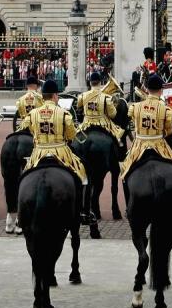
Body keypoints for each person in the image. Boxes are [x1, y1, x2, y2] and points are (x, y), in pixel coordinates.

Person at [19, 79, 93, 224]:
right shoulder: (64, 113)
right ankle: (83, 211)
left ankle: (20, 213)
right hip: (60, 151)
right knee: (82, 174)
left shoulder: (33, 113)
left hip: (38, 152)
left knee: (24, 175)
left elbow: (26, 127)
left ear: (43, 95)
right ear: (54, 96)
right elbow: (71, 135)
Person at [120, 74, 172, 182]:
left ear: (147, 89)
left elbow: (133, 123)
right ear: (160, 90)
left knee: (125, 170)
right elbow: (169, 130)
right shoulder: (165, 109)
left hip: (139, 144)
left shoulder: (135, 107)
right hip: (159, 144)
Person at [77, 71, 125, 153]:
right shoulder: (106, 98)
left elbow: (79, 107)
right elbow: (113, 115)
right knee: (118, 137)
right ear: (100, 83)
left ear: (90, 83)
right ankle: (121, 155)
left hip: (86, 124)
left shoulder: (82, 96)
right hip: (103, 124)